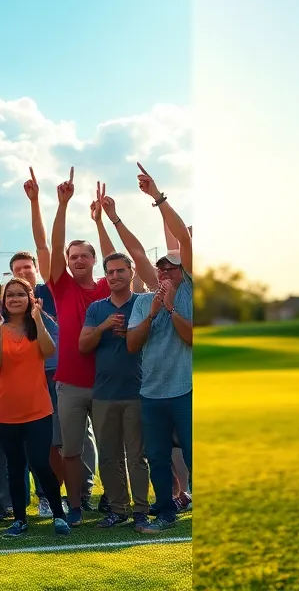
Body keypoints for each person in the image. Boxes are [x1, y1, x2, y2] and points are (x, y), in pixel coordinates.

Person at [41, 171, 114, 526]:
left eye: (84, 255)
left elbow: (115, 257)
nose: (77, 260)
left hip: (105, 384)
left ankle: (114, 504)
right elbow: (54, 247)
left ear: (93, 260)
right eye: (73, 256)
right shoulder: (62, 287)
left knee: (111, 449)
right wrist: (62, 204)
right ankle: (74, 506)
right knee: (70, 450)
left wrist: (100, 221)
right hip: (68, 384)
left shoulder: (106, 288)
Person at [124, 164, 193, 534]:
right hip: (151, 394)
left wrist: (157, 196)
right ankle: (166, 511)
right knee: (158, 459)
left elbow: (191, 337)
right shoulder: (142, 302)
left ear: (183, 272)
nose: (165, 273)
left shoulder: (190, 293)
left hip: (186, 390)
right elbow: (133, 345)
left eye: (172, 268)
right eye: (161, 269)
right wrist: (152, 312)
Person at [0, 278, 69, 538]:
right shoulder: (0, 327)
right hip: (7, 411)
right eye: (10, 295)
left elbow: (49, 350)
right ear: (4, 300)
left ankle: (58, 514)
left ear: (30, 297)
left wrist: (38, 318)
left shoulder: (39, 325)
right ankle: (20, 520)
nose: (14, 299)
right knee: (15, 465)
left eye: (20, 294)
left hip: (38, 410)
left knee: (41, 463)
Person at [79, 250, 150, 528]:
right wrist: (103, 327)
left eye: (121, 271)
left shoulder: (143, 303)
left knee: (136, 457)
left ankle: (141, 510)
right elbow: (83, 346)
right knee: (109, 457)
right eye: (110, 272)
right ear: (104, 276)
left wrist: (133, 333)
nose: (115, 276)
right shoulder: (97, 309)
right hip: (104, 394)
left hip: (138, 391)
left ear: (131, 272)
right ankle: (118, 511)